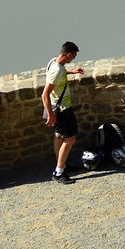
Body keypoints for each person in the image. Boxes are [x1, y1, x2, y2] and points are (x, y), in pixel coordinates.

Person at [41, 42, 84, 184]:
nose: (73, 59)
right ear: (69, 54)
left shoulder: (53, 62)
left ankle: (63, 165)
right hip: (63, 109)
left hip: (56, 107)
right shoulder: (57, 70)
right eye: (74, 56)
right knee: (70, 138)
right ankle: (58, 172)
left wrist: (73, 72)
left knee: (59, 136)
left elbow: (59, 75)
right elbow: (44, 95)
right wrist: (51, 115)